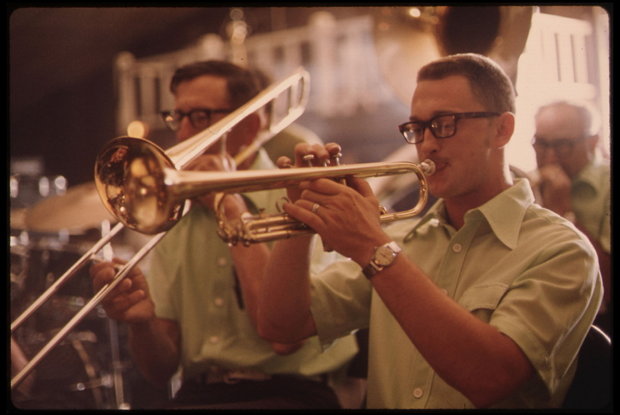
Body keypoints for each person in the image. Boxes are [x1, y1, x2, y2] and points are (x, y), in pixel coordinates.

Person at [257, 53, 602, 409]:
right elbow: (281, 328)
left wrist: (374, 249)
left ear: (502, 130)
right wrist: (302, 219)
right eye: (418, 128)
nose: (427, 143)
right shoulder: (403, 239)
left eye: (445, 123)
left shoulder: (563, 249)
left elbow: (491, 378)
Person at [90, 60, 358, 409]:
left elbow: (283, 340)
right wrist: (141, 322)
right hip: (199, 395)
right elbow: (160, 370)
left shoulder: (298, 191)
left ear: (250, 125)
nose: (183, 133)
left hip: (290, 393)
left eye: (200, 117)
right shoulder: (177, 212)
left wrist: (228, 204)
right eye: (177, 117)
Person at [532, 100, 611, 335]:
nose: (550, 157)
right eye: (541, 144)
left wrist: (562, 214)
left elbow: (605, 283)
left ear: (593, 141)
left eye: (563, 145)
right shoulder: (528, 184)